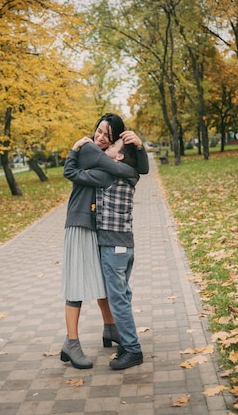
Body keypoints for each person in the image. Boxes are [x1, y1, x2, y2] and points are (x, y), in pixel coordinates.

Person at [60, 113, 148, 369]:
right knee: (79, 284)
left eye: (107, 138)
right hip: (80, 223)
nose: (100, 139)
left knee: (106, 284)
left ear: (114, 145)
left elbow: (137, 168)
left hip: (101, 232)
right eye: (98, 131)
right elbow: (130, 170)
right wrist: (74, 148)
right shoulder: (88, 148)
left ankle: (112, 328)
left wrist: (139, 147)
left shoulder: (102, 157)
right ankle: (72, 342)